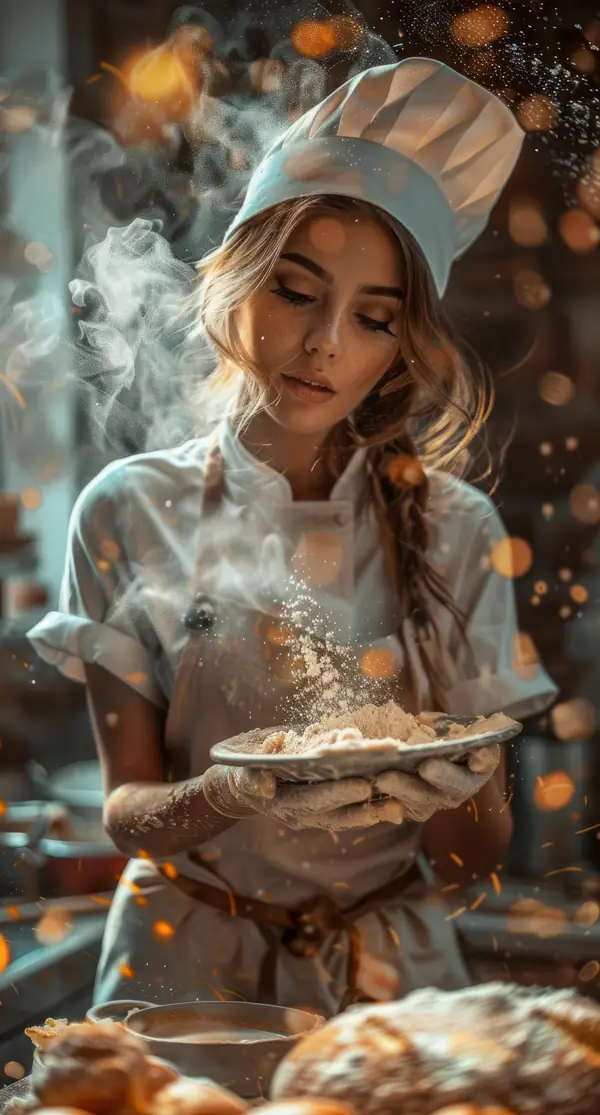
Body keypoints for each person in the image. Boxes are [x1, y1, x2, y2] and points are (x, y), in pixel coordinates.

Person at [28, 57, 557, 1013]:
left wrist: (463, 785)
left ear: (402, 344)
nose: (325, 344)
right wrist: (229, 793)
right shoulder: (126, 507)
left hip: (389, 978)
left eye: (374, 318)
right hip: (183, 963)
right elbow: (128, 814)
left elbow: (470, 858)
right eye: (296, 291)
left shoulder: (456, 529)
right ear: (235, 280)